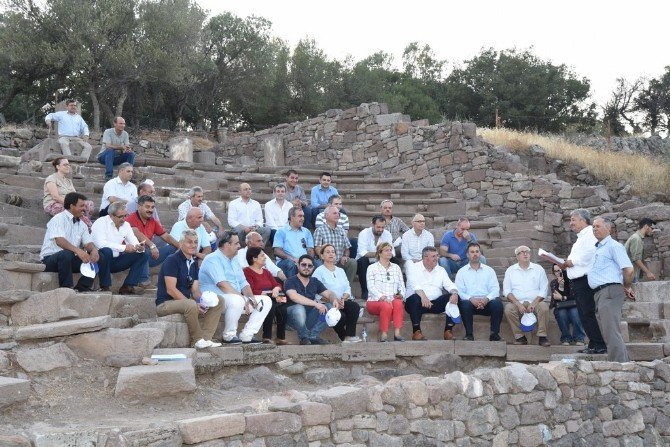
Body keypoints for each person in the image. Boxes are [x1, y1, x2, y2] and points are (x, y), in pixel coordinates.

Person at [155, 229, 223, 349]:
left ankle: (206, 339)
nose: (193, 245)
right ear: (181, 243)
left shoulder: (193, 263)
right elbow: (171, 290)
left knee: (218, 300)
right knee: (190, 304)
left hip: (185, 303)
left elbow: (195, 291)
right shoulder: (172, 260)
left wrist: (203, 301)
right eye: (189, 242)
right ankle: (197, 340)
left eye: (195, 242)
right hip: (165, 304)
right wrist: (194, 304)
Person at [199, 231, 271, 344]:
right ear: (227, 245)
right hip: (215, 299)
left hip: (234, 300)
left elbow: (243, 282)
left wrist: (251, 299)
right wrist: (243, 299)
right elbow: (222, 284)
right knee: (237, 299)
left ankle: (247, 335)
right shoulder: (212, 258)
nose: (239, 246)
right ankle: (229, 335)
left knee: (265, 301)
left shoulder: (234, 260)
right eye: (236, 243)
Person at [559, 209, 607, 355]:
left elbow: (591, 253)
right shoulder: (581, 237)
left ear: (583, 220)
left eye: (573, 220)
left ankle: (600, 345)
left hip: (585, 280)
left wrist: (571, 262)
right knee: (584, 314)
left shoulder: (590, 234)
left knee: (588, 313)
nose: (571, 223)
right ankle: (593, 344)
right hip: (577, 281)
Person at [588, 217, 634, 362]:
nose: (594, 229)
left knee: (610, 330)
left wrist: (627, 286)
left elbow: (628, 269)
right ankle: (623, 363)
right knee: (607, 330)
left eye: (598, 226)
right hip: (600, 293)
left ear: (608, 228)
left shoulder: (614, 246)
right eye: (593, 226)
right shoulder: (599, 248)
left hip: (609, 291)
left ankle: (619, 365)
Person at [40, 192, 99, 292]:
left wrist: (94, 250)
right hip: (50, 260)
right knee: (66, 254)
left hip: (70, 260)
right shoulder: (58, 219)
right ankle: (66, 288)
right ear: (72, 206)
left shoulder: (82, 224)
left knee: (98, 256)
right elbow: (60, 241)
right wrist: (78, 251)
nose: (84, 208)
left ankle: (83, 286)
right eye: (81, 206)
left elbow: (88, 243)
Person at [91, 201, 148, 295]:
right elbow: (100, 244)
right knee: (106, 251)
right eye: (120, 216)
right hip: (99, 261)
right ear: (111, 215)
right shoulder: (101, 222)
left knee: (143, 254)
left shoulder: (126, 225)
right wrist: (124, 248)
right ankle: (105, 286)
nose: (124, 219)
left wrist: (138, 247)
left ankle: (128, 286)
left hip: (116, 261)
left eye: (125, 215)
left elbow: (133, 242)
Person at [405, 246, 460, 341]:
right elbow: (415, 286)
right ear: (425, 258)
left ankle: (448, 331)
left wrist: (454, 293)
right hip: (418, 303)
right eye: (434, 256)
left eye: (437, 255)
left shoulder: (441, 270)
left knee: (453, 297)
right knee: (414, 298)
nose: (437, 258)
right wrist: (423, 297)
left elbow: (450, 285)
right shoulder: (413, 268)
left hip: (434, 304)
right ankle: (416, 331)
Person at [126, 195, 180, 288]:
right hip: (131, 255)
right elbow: (137, 234)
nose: (150, 210)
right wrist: (152, 245)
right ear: (139, 207)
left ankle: (170, 280)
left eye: (152, 207)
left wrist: (181, 247)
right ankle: (144, 281)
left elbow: (166, 236)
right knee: (142, 250)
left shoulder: (152, 221)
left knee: (173, 248)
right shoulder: (130, 219)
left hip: (149, 256)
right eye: (147, 207)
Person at [502, 246, 551, 347]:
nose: (525, 254)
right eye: (522, 252)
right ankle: (520, 337)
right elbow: (507, 291)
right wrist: (518, 304)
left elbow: (544, 289)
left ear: (530, 254)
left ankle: (542, 336)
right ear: (517, 256)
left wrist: (534, 303)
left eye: (527, 252)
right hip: (517, 302)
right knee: (508, 309)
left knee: (544, 307)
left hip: (535, 301)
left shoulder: (538, 269)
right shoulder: (510, 270)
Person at [284, 255, 338, 345]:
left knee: (329, 307)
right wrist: (316, 304)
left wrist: (334, 299)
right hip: (293, 320)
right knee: (299, 308)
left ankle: (313, 335)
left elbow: (329, 293)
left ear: (313, 268)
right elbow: (294, 297)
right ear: (298, 265)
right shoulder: (290, 280)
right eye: (303, 265)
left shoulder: (314, 281)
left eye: (310, 266)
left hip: (309, 319)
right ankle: (303, 337)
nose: (306, 267)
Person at [455, 242, 504, 341]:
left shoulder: (489, 270)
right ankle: (469, 334)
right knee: (464, 304)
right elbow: (459, 291)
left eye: (477, 251)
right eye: (472, 252)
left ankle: (494, 334)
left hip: (487, 303)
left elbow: (495, 289)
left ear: (480, 254)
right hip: (470, 304)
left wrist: (487, 299)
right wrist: (471, 298)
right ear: (467, 255)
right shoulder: (461, 272)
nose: (475, 254)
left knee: (497, 304)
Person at [313, 244, 361, 343]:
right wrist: (332, 300)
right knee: (340, 316)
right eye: (327, 252)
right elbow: (316, 292)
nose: (331, 254)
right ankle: (343, 337)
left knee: (354, 307)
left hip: (341, 301)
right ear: (322, 256)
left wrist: (343, 299)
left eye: (333, 252)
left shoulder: (340, 271)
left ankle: (350, 336)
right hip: (326, 302)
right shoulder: (319, 271)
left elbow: (347, 287)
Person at [243, 247, 288, 345]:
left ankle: (280, 337)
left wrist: (276, 289)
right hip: (257, 298)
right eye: (262, 255)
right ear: (254, 258)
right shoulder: (247, 271)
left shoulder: (266, 272)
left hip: (271, 296)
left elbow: (277, 284)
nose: (265, 258)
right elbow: (250, 290)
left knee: (283, 308)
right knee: (271, 305)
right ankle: (266, 336)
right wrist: (267, 293)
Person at [366, 242, 405, 342]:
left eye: (390, 250)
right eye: (386, 250)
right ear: (379, 253)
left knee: (398, 303)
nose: (389, 252)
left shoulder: (396, 267)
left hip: (392, 299)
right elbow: (370, 287)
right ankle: (384, 334)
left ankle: (397, 334)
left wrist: (401, 294)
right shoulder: (372, 268)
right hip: (375, 301)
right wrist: (382, 297)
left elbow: (401, 285)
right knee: (386, 305)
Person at [43, 156, 94, 228]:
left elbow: (75, 196)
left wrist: (78, 204)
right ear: (58, 167)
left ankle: (81, 224)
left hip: (70, 204)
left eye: (68, 164)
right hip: (53, 204)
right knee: (74, 210)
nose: (68, 166)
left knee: (89, 204)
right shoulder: (51, 178)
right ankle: (87, 226)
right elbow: (55, 197)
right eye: (65, 165)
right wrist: (71, 205)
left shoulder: (68, 181)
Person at [313, 205, 357, 282]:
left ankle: (346, 287)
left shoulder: (342, 231)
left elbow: (347, 248)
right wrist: (326, 259)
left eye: (338, 213)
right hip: (325, 262)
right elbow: (317, 248)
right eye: (334, 213)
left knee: (352, 262)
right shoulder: (320, 230)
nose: (337, 215)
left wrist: (345, 256)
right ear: (326, 216)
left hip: (340, 262)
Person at [356, 215, 395, 300]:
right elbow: (363, 253)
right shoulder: (364, 233)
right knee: (363, 261)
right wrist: (382, 253)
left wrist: (384, 254)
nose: (380, 229)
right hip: (365, 261)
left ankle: (392, 292)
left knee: (394, 261)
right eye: (378, 227)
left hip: (381, 260)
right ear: (372, 224)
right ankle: (365, 292)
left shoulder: (387, 234)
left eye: (382, 227)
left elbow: (391, 252)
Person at [273, 207, 315, 278]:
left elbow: (310, 250)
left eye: (303, 216)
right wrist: (293, 259)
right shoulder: (281, 231)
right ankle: (292, 285)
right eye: (300, 216)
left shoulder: (306, 232)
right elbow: (277, 251)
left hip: (303, 261)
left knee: (317, 264)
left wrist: (307, 261)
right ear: (292, 217)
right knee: (290, 264)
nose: (302, 218)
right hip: (286, 261)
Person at [549, 265, 585, 346]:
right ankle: (566, 338)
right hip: (561, 307)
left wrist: (563, 297)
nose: (559, 272)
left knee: (574, 312)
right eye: (556, 271)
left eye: (560, 270)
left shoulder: (573, 280)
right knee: (561, 312)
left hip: (574, 305)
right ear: (554, 273)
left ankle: (579, 337)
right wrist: (561, 286)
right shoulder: (554, 283)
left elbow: (576, 296)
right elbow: (556, 299)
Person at [624, 218, 657, 282]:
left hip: (631, 274)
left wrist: (648, 271)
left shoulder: (638, 238)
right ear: (646, 226)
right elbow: (636, 259)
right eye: (652, 228)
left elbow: (640, 258)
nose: (652, 230)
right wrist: (648, 273)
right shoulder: (636, 238)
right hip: (630, 275)